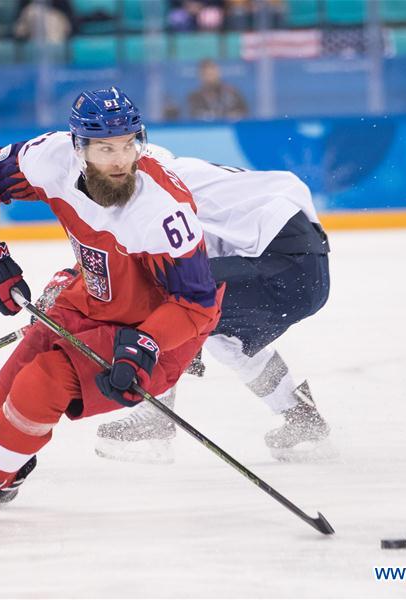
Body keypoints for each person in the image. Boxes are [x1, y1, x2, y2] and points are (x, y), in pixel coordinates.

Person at [0, 87, 223, 522]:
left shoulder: (163, 210)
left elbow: (197, 306)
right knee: (7, 391)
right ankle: (6, 468)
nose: (120, 160)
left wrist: (146, 344)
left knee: (44, 382)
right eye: (106, 148)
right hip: (91, 292)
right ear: (78, 146)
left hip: (156, 329)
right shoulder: (49, 159)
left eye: (129, 144)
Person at [96, 145, 332, 463]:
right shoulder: (194, 177)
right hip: (306, 269)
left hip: (284, 265)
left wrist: (185, 329)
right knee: (227, 337)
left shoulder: (158, 190)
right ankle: (300, 416)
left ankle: (156, 416)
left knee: (155, 304)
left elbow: (159, 275)